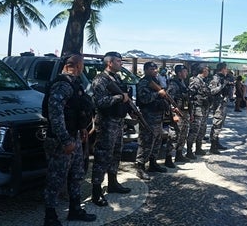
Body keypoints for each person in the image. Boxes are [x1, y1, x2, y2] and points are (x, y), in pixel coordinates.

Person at [43, 53, 96, 226]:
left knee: (77, 175)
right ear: (72, 65)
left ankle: (75, 210)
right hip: (61, 140)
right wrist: (65, 140)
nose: (80, 69)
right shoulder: (61, 85)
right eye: (79, 65)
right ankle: (50, 217)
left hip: (74, 136)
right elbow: (55, 116)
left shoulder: (75, 84)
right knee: (56, 180)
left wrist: (82, 129)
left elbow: (77, 109)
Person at [91, 52, 131, 207]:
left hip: (118, 122)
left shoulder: (117, 78)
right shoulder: (100, 79)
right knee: (102, 156)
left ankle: (113, 183)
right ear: (109, 63)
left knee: (116, 153)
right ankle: (96, 190)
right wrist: (119, 98)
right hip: (106, 123)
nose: (121, 64)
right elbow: (99, 102)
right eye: (119, 61)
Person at [135, 62, 169, 180]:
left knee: (157, 140)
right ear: (145, 70)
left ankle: (153, 163)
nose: (155, 71)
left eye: (155, 69)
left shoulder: (156, 81)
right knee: (145, 141)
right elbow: (144, 99)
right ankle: (140, 167)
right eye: (151, 69)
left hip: (158, 116)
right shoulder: (143, 82)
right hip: (148, 116)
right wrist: (158, 94)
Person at [166, 64, 192, 163]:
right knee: (174, 136)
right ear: (179, 73)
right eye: (185, 71)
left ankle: (179, 154)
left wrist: (190, 114)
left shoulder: (183, 83)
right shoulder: (173, 84)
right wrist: (174, 114)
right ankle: (168, 158)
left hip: (184, 113)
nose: (186, 73)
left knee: (183, 135)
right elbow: (169, 100)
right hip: (177, 113)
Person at [186, 65, 211, 157]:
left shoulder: (204, 81)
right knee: (194, 130)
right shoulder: (195, 81)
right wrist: (191, 111)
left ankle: (198, 148)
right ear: (203, 70)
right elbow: (190, 95)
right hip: (197, 108)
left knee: (202, 130)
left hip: (204, 109)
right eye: (207, 70)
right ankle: (189, 151)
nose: (208, 72)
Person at [208, 62, 231, 154]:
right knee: (216, 124)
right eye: (226, 68)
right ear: (222, 69)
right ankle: (213, 146)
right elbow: (212, 91)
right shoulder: (215, 78)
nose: (227, 70)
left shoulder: (223, 78)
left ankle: (216, 142)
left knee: (220, 124)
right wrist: (222, 86)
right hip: (218, 104)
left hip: (223, 103)